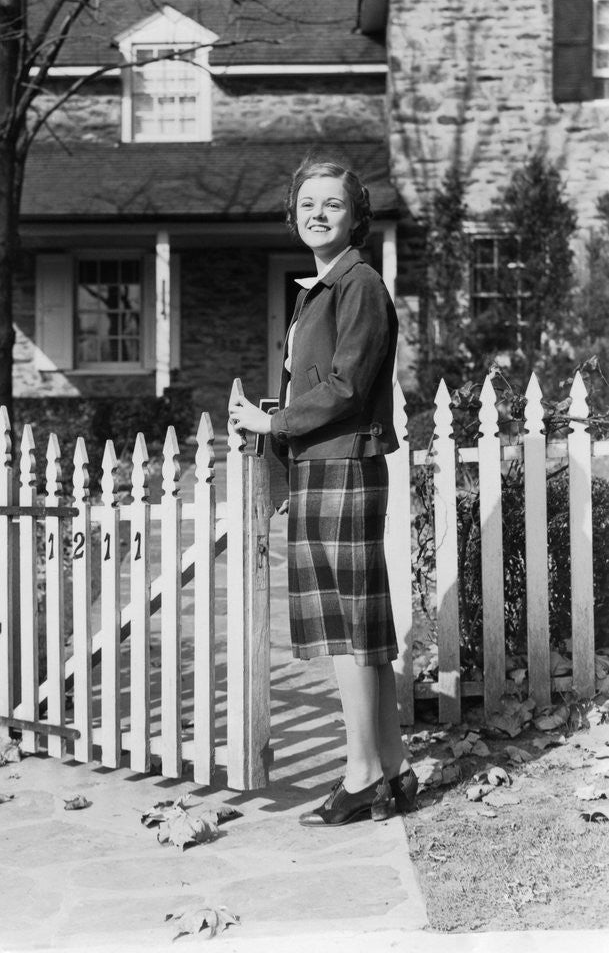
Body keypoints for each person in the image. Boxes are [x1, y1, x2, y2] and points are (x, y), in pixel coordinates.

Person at [228, 156, 417, 827]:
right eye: (306, 202)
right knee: (352, 630)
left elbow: (345, 389)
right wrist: (283, 413)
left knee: (350, 633)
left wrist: (271, 420)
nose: (316, 212)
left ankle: (362, 772)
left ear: (355, 216)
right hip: (320, 464)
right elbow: (322, 383)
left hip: (343, 465)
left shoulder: (358, 284)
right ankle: (389, 766)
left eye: (331, 203)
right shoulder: (321, 289)